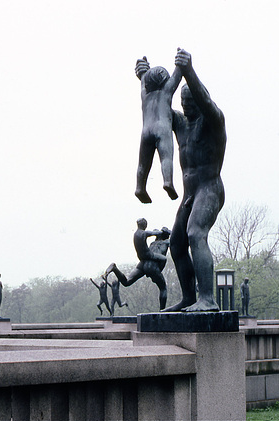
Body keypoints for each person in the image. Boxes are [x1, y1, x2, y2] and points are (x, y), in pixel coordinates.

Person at [137, 48, 226, 312]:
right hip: (189, 194)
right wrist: (145, 77)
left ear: (200, 101)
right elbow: (159, 106)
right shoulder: (181, 122)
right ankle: (189, 297)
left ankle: (207, 298)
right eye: (183, 102)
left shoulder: (213, 122)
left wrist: (188, 71)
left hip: (209, 189)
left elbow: (205, 100)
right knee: (176, 244)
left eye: (190, 102)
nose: (185, 106)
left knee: (196, 233)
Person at [135, 57, 182, 203]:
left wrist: (143, 73)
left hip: (145, 131)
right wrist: (180, 64)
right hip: (162, 128)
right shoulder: (166, 91)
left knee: (143, 163)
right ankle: (168, 181)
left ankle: (140, 187)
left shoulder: (145, 95)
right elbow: (176, 77)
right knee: (166, 157)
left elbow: (143, 81)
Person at [104, 225, 171, 310]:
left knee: (126, 282)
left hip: (143, 263)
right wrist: (169, 232)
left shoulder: (152, 243)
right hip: (152, 265)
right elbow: (178, 237)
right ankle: (162, 312)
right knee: (163, 288)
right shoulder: (166, 242)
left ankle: (115, 268)